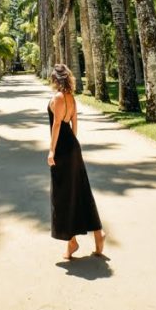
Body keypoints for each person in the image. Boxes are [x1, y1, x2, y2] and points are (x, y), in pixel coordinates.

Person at [47, 62, 105, 260]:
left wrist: (52, 150)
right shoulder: (71, 98)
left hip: (62, 149)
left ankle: (71, 242)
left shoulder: (58, 97)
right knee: (81, 190)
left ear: (56, 78)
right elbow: (74, 124)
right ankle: (98, 234)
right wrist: (73, 147)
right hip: (73, 146)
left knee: (62, 195)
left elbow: (56, 125)